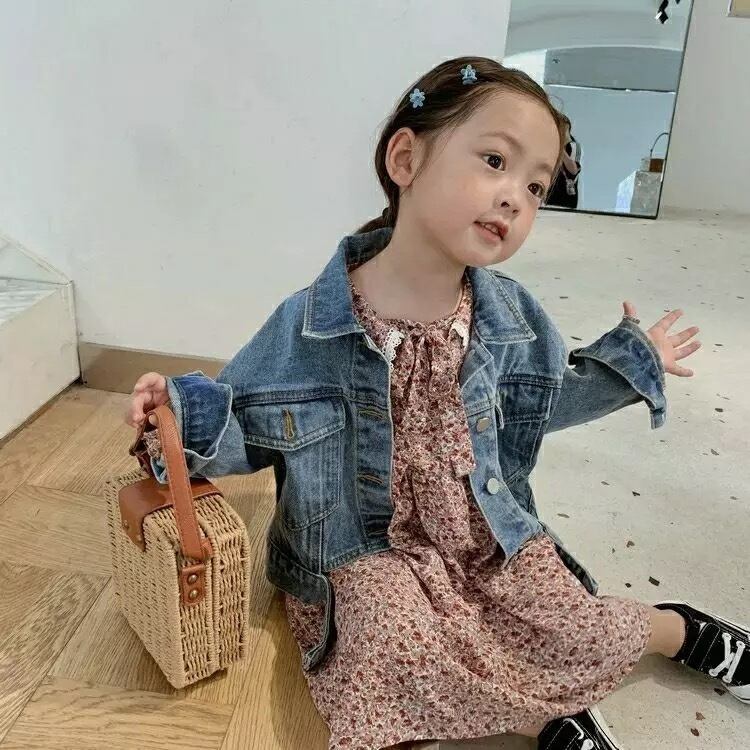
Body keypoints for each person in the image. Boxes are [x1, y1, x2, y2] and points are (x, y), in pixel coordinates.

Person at [124, 57, 747, 750]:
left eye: (536, 187)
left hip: (483, 534)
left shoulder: (511, 319)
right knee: (391, 642)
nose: (515, 198)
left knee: (573, 620)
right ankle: (542, 720)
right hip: (365, 550)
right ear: (406, 159)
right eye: (495, 161)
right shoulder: (309, 326)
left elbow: (544, 402)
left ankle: (676, 629)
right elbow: (247, 426)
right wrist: (180, 419)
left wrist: (630, 365)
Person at [544, 117, 581, 209]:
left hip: (566, 198)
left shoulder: (573, 146)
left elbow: (573, 170)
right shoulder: (552, 147)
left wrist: (561, 150)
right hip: (551, 196)